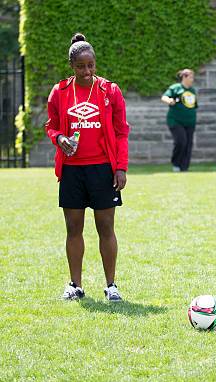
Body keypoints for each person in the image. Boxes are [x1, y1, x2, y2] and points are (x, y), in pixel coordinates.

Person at [45, 33, 130, 302]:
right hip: (72, 170)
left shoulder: (110, 91)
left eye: (91, 65)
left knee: (106, 228)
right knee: (73, 228)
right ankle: (75, 285)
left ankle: (111, 285)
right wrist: (59, 138)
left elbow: (121, 132)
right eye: (81, 66)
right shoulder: (59, 92)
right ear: (72, 66)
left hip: (103, 169)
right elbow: (51, 125)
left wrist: (121, 167)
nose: (87, 71)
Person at [161, 68, 198, 172]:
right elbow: (164, 97)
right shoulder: (176, 87)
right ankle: (176, 164)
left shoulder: (192, 90)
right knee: (181, 141)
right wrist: (169, 100)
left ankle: (184, 167)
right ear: (184, 77)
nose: (192, 79)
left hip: (190, 122)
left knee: (188, 144)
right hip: (176, 121)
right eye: (191, 77)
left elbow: (194, 105)